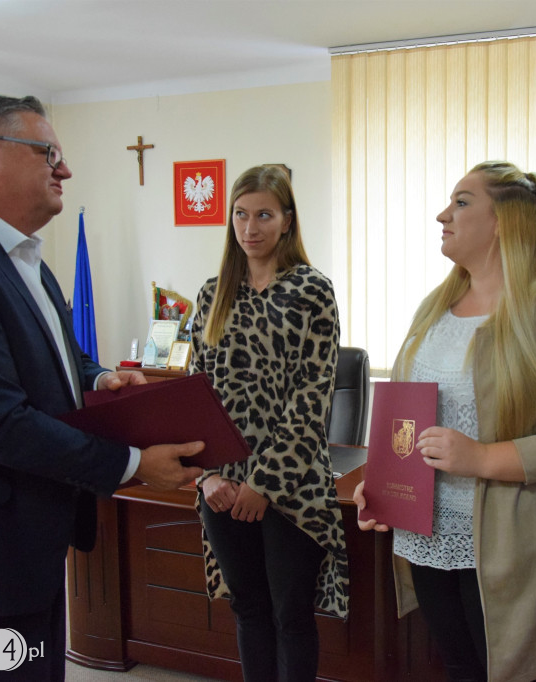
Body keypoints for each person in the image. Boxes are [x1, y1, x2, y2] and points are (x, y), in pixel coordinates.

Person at [0, 95, 205, 681]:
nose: (66, 170)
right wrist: (133, 464)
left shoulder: (21, 257)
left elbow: (59, 357)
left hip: (22, 537)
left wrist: (99, 378)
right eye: (48, 153)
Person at [356, 161, 536, 681]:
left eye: (461, 202)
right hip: (428, 536)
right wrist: (381, 485)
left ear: (504, 221)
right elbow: (409, 418)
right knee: (460, 668)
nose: (442, 215)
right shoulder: (435, 307)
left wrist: (481, 458)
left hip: (507, 543)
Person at [191, 164, 347, 682]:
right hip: (222, 483)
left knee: (290, 616)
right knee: (248, 608)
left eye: (263, 215)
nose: (250, 227)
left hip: (291, 485)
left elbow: (311, 399)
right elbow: (194, 394)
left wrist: (264, 485)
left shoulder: (311, 291)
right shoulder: (212, 293)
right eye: (240, 214)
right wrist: (207, 476)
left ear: (287, 220)